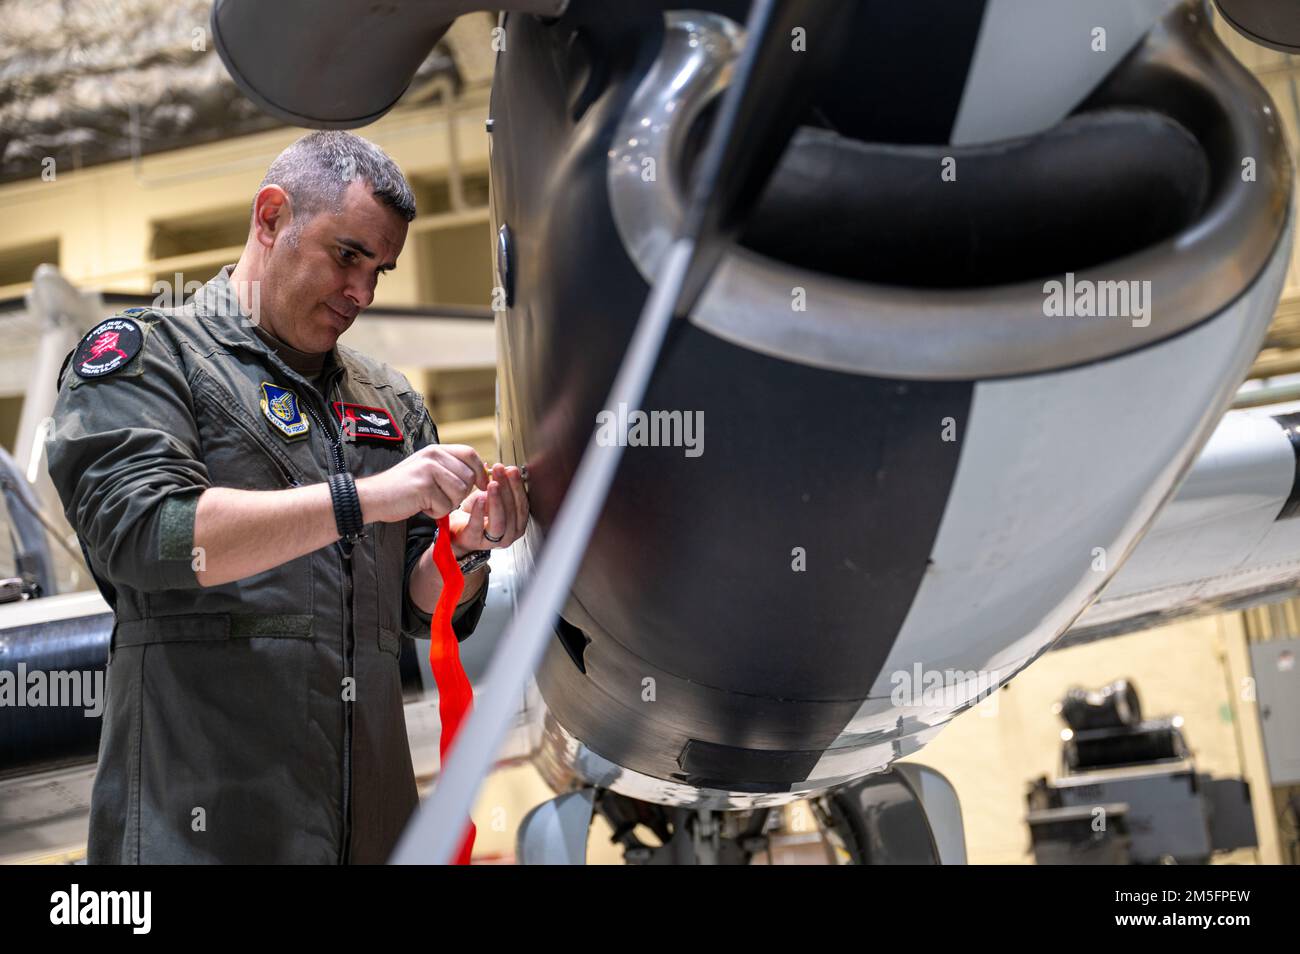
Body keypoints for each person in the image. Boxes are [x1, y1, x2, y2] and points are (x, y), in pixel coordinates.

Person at [45, 130, 529, 864]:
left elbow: (414, 608)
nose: (362, 294)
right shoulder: (150, 357)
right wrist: (361, 499)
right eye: (348, 256)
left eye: (380, 271)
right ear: (270, 218)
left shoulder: (391, 402)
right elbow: (147, 534)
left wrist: (464, 546)